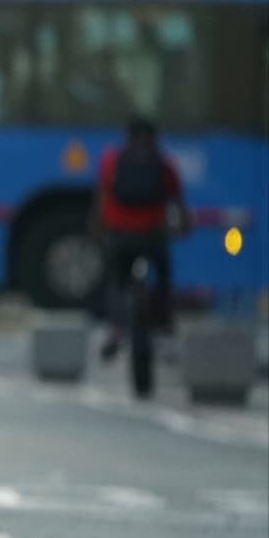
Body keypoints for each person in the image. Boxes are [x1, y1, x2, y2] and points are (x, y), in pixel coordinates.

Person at [90, 116, 190, 360]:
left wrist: (97, 226)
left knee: (117, 279)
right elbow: (177, 202)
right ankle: (164, 324)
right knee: (162, 273)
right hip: (152, 234)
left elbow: (102, 196)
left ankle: (114, 329)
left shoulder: (112, 160)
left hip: (119, 233)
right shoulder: (165, 164)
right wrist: (183, 226)